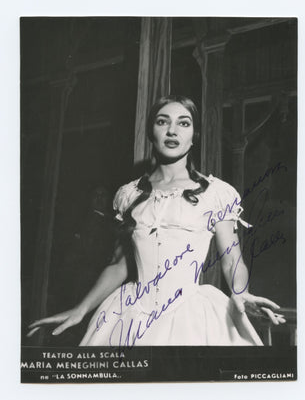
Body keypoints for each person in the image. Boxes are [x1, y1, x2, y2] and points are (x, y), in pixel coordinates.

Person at [28, 95, 285, 347]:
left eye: (183, 123)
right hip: (128, 313)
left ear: (194, 135)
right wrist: (80, 310)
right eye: (163, 122)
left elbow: (231, 260)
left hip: (190, 314)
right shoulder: (129, 195)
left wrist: (241, 294)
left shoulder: (216, 193)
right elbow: (120, 265)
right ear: (151, 131)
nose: (172, 130)